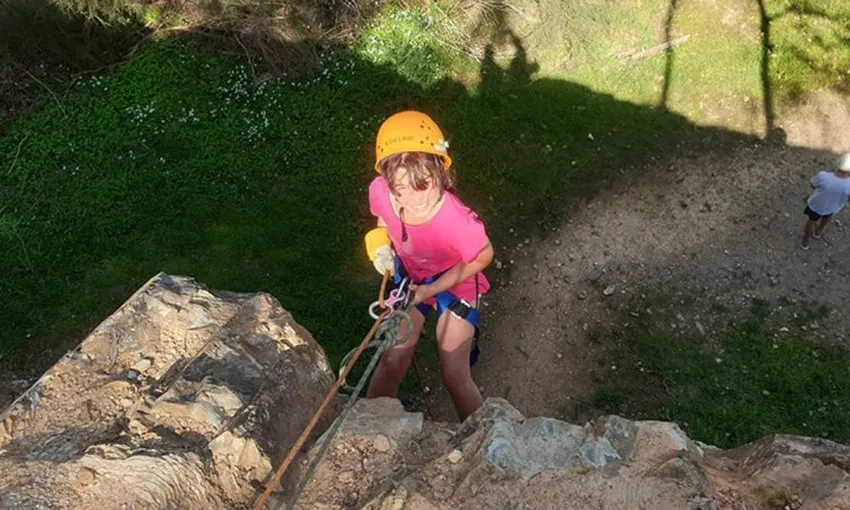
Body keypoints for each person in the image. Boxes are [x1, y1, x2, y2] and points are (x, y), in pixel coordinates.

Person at [362, 110, 494, 421]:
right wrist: (380, 242)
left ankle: (480, 437)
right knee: (392, 360)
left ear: (440, 172)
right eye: (402, 189)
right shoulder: (381, 192)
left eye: (425, 184)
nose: (416, 198)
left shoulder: (457, 221)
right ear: (388, 182)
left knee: (453, 373)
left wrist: (432, 290)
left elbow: (483, 256)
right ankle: (368, 424)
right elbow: (382, 217)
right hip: (411, 280)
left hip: (456, 284)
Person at [801, 152, 850, 249]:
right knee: (826, 217)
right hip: (832, 207)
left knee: (811, 221)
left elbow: (813, 183)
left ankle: (805, 242)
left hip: (816, 205)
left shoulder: (824, 176)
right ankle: (818, 232)